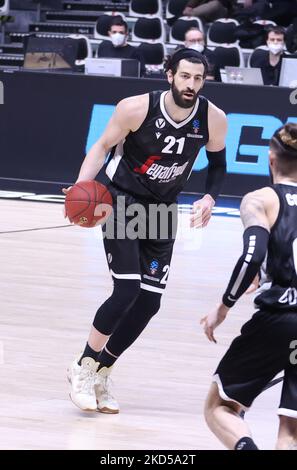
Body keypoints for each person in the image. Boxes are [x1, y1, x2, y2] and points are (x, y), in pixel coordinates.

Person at [64, 48, 227, 413]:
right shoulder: (135, 108)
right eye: (185, 76)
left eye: (198, 78)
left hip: (162, 208)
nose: (191, 84)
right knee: (126, 290)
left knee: (149, 302)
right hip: (121, 201)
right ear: (170, 75)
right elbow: (103, 146)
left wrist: (209, 198)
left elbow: (218, 164)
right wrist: (79, 187)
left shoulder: (213, 119)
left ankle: (103, 370)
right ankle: (84, 365)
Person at [201, 122, 297, 450]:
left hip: (280, 317)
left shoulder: (260, 200)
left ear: (270, 159)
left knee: (220, 407)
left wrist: (223, 307)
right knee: (291, 427)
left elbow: (252, 255)